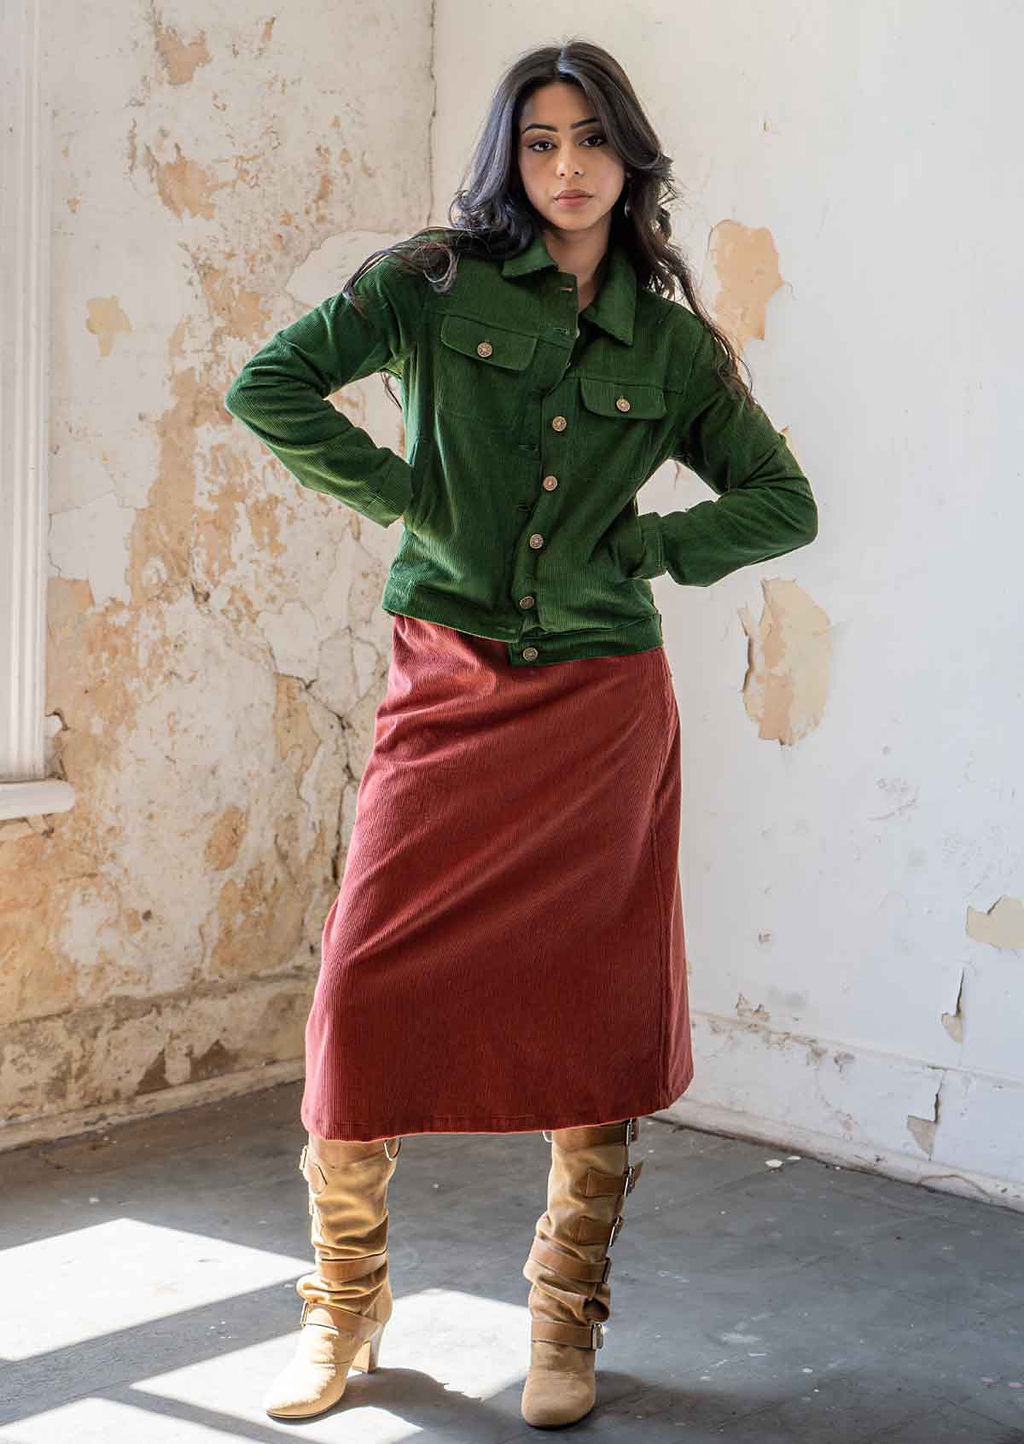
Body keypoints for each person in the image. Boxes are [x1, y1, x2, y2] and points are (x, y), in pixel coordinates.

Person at [224, 37, 818, 1430]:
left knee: (594, 1015)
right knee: (363, 994)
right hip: (449, 681)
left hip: (601, 709)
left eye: (590, 140)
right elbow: (272, 386)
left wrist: (655, 543)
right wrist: (404, 500)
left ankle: (564, 1319)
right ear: (512, 156)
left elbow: (781, 501)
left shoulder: (672, 346)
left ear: (630, 156)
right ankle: (344, 1301)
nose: (566, 167)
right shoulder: (430, 286)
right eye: (540, 141)